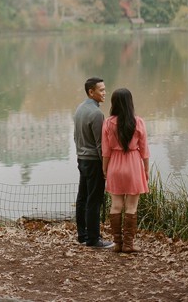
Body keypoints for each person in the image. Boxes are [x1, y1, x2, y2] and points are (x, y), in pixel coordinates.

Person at [102, 88, 150, 253]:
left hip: (115, 164)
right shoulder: (138, 122)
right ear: (130, 103)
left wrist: (105, 169)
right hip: (133, 164)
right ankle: (128, 245)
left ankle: (117, 244)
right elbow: (144, 150)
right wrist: (146, 169)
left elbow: (106, 151)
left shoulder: (108, 123)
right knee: (131, 207)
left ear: (113, 103)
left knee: (115, 206)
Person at [73, 77, 113, 248]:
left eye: (105, 89)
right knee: (94, 200)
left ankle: (82, 235)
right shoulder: (96, 114)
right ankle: (94, 239)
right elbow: (100, 144)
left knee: (82, 198)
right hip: (94, 161)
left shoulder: (80, 108)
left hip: (82, 159)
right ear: (91, 92)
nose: (105, 93)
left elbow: (76, 137)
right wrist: (105, 167)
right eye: (101, 90)